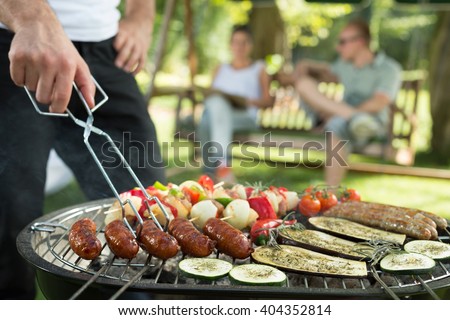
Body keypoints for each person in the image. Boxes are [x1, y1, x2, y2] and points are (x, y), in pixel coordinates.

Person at [0, 0, 165, 299]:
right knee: (10, 223)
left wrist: (141, 15)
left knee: (149, 213)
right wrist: (31, 15)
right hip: (16, 40)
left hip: (108, 51)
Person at [287, 19, 401, 186]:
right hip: (344, 118)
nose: (338, 47)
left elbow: (379, 102)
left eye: (342, 42)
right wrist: (306, 65)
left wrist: (336, 112)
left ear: (360, 42)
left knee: (336, 124)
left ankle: (330, 195)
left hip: (373, 123)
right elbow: (323, 71)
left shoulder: (389, 68)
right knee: (304, 84)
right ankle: (350, 116)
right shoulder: (343, 65)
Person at [197, 25, 273, 182]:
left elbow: (268, 101)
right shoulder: (220, 68)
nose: (239, 47)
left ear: (250, 45)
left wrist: (246, 101)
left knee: (207, 120)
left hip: (245, 116)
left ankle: (209, 173)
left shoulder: (259, 68)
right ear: (230, 44)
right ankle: (222, 168)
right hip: (220, 115)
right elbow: (211, 95)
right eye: (236, 42)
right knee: (216, 107)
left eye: (244, 42)